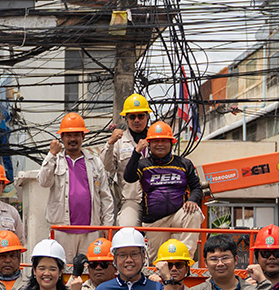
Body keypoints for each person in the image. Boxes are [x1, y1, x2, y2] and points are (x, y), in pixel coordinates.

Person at [123, 120, 203, 260]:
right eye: (155, 141)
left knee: (194, 213)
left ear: (171, 143)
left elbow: (196, 187)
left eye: (164, 141)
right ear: (149, 144)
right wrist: (136, 152)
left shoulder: (184, 164)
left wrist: (192, 200)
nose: (160, 144)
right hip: (155, 221)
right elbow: (129, 177)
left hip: (178, 215)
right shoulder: (143, 164)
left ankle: (186, 258)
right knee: (155, 261)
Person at [38, 112, 114, 261]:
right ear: (62, 137)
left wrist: (107, 226)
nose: (72, 139)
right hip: (62, 230)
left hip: (91, 230)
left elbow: (105, 197)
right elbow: (43, 181)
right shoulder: (55, 160)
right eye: (68, 135)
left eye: (76, 135)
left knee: (90, 269)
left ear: (83, 137)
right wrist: (51, 154)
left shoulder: (95, 163)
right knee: (63, 269)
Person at [103, 93, 153, 227]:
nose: (136, 120)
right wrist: (110, 143)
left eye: (141, 116)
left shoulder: (157, 139)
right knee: (126, 228)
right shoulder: (119, 142)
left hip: (156, 198)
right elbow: (107, 167)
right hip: (131, 200)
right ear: (126, 118)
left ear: (147, 117)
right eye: (132, 117)